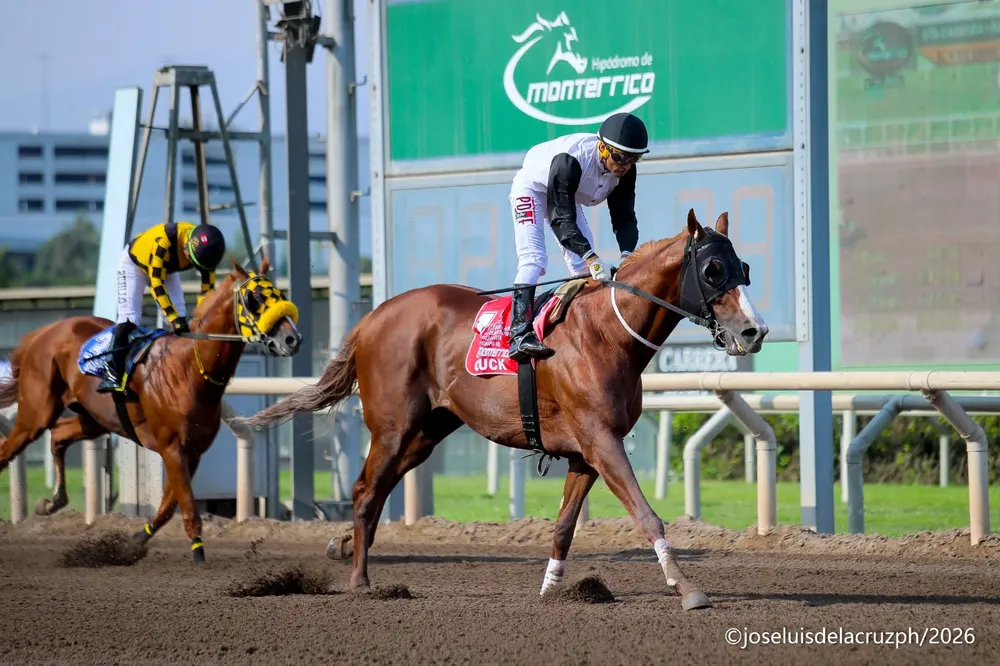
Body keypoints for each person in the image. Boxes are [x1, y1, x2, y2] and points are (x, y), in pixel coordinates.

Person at [507, 111, 649, 361]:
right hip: (533, 189)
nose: (626, 165)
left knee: (584, 271)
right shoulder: (570, 160)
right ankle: (518, 334)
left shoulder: (624, 171)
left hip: (565, 193)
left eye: (634, 159)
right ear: (602, 147)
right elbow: (561, 220)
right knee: (534, 260)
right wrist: (591, 257)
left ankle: (583, 330)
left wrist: (627, 256)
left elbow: (624, 217)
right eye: (620, 157)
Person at [97, 220, 226, 393]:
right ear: (186, 245)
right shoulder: (164, 242)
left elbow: (207, 291)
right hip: (135, 265)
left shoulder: (206, 255)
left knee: (183, 323)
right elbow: (156, 284)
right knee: (130, 319)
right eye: (191, 260)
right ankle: (113, 372)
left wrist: (200, 317)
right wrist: (172, 317)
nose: (191, 265)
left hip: (167, 267)